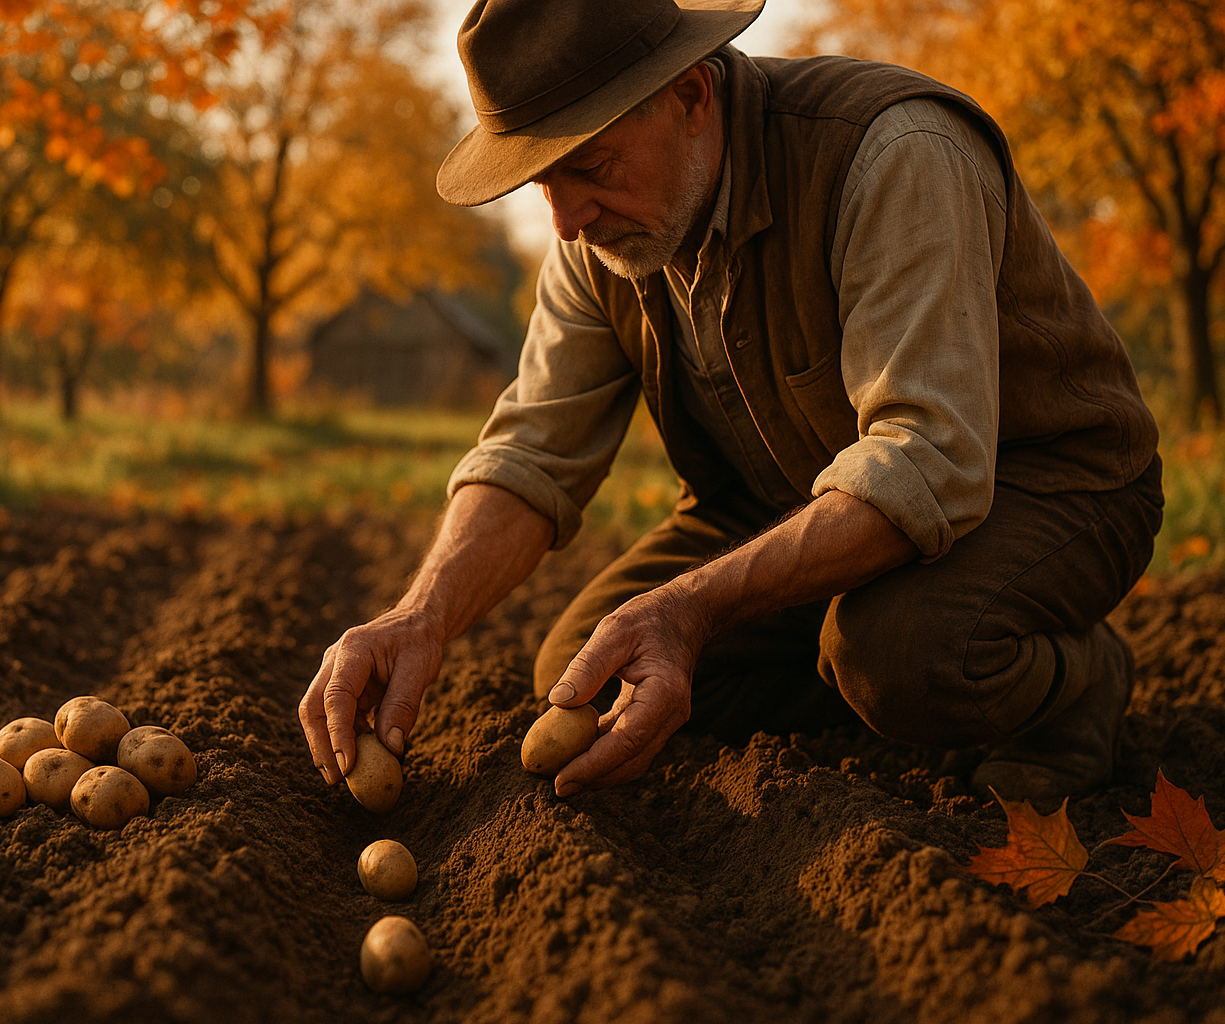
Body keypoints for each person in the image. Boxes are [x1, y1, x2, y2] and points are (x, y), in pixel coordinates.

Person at [298, 0, 1163, 807]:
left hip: (1046, 486)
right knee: (582, 666)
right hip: (800, 498)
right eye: (540, 184)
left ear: (691, 96)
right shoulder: (599, 235)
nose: (563, 221)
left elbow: (927, 459)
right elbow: (533, 452)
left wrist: (690, 608)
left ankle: (1072, 686)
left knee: (900, 655)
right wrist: (421, 617)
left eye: (587, 167)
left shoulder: (894, 153)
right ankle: (873, 689)